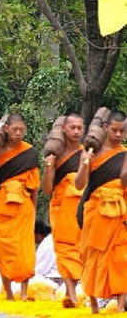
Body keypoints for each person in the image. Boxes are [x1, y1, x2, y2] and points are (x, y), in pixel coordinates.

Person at [0, 114, 40, 301]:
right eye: (15, 129)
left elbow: (34, 186)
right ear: (6, 128)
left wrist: (34, 208)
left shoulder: (29, 152)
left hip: (24, 206)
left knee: (25, 249)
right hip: (1, 205)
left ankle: (23, 292)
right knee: (3, 248)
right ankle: (8, 292)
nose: (18, 133)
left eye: (22, 129)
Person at [74, 110, 126, 314]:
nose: (118, 135)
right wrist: (85, 162)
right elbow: (79, 185)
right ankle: (94, 303)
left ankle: (121, 306)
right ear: (105, 127)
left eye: (122, 132)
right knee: (92, 256)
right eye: (114, 130)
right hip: (95, 211)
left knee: (121, 257)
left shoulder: (124, 153)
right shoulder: (90, 151)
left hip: (119, 211)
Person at [41, 113, 84, 307]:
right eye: (72, 127)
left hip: (82, 209)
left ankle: (71, 291)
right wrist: (49, 168)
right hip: (60, 208)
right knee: (64, 249)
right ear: (64, 129)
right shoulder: (56, 157)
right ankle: (72, 294)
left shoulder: (87, 155)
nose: (76, 131)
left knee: (81, 249)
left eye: (79, 128)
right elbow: (47, 190)